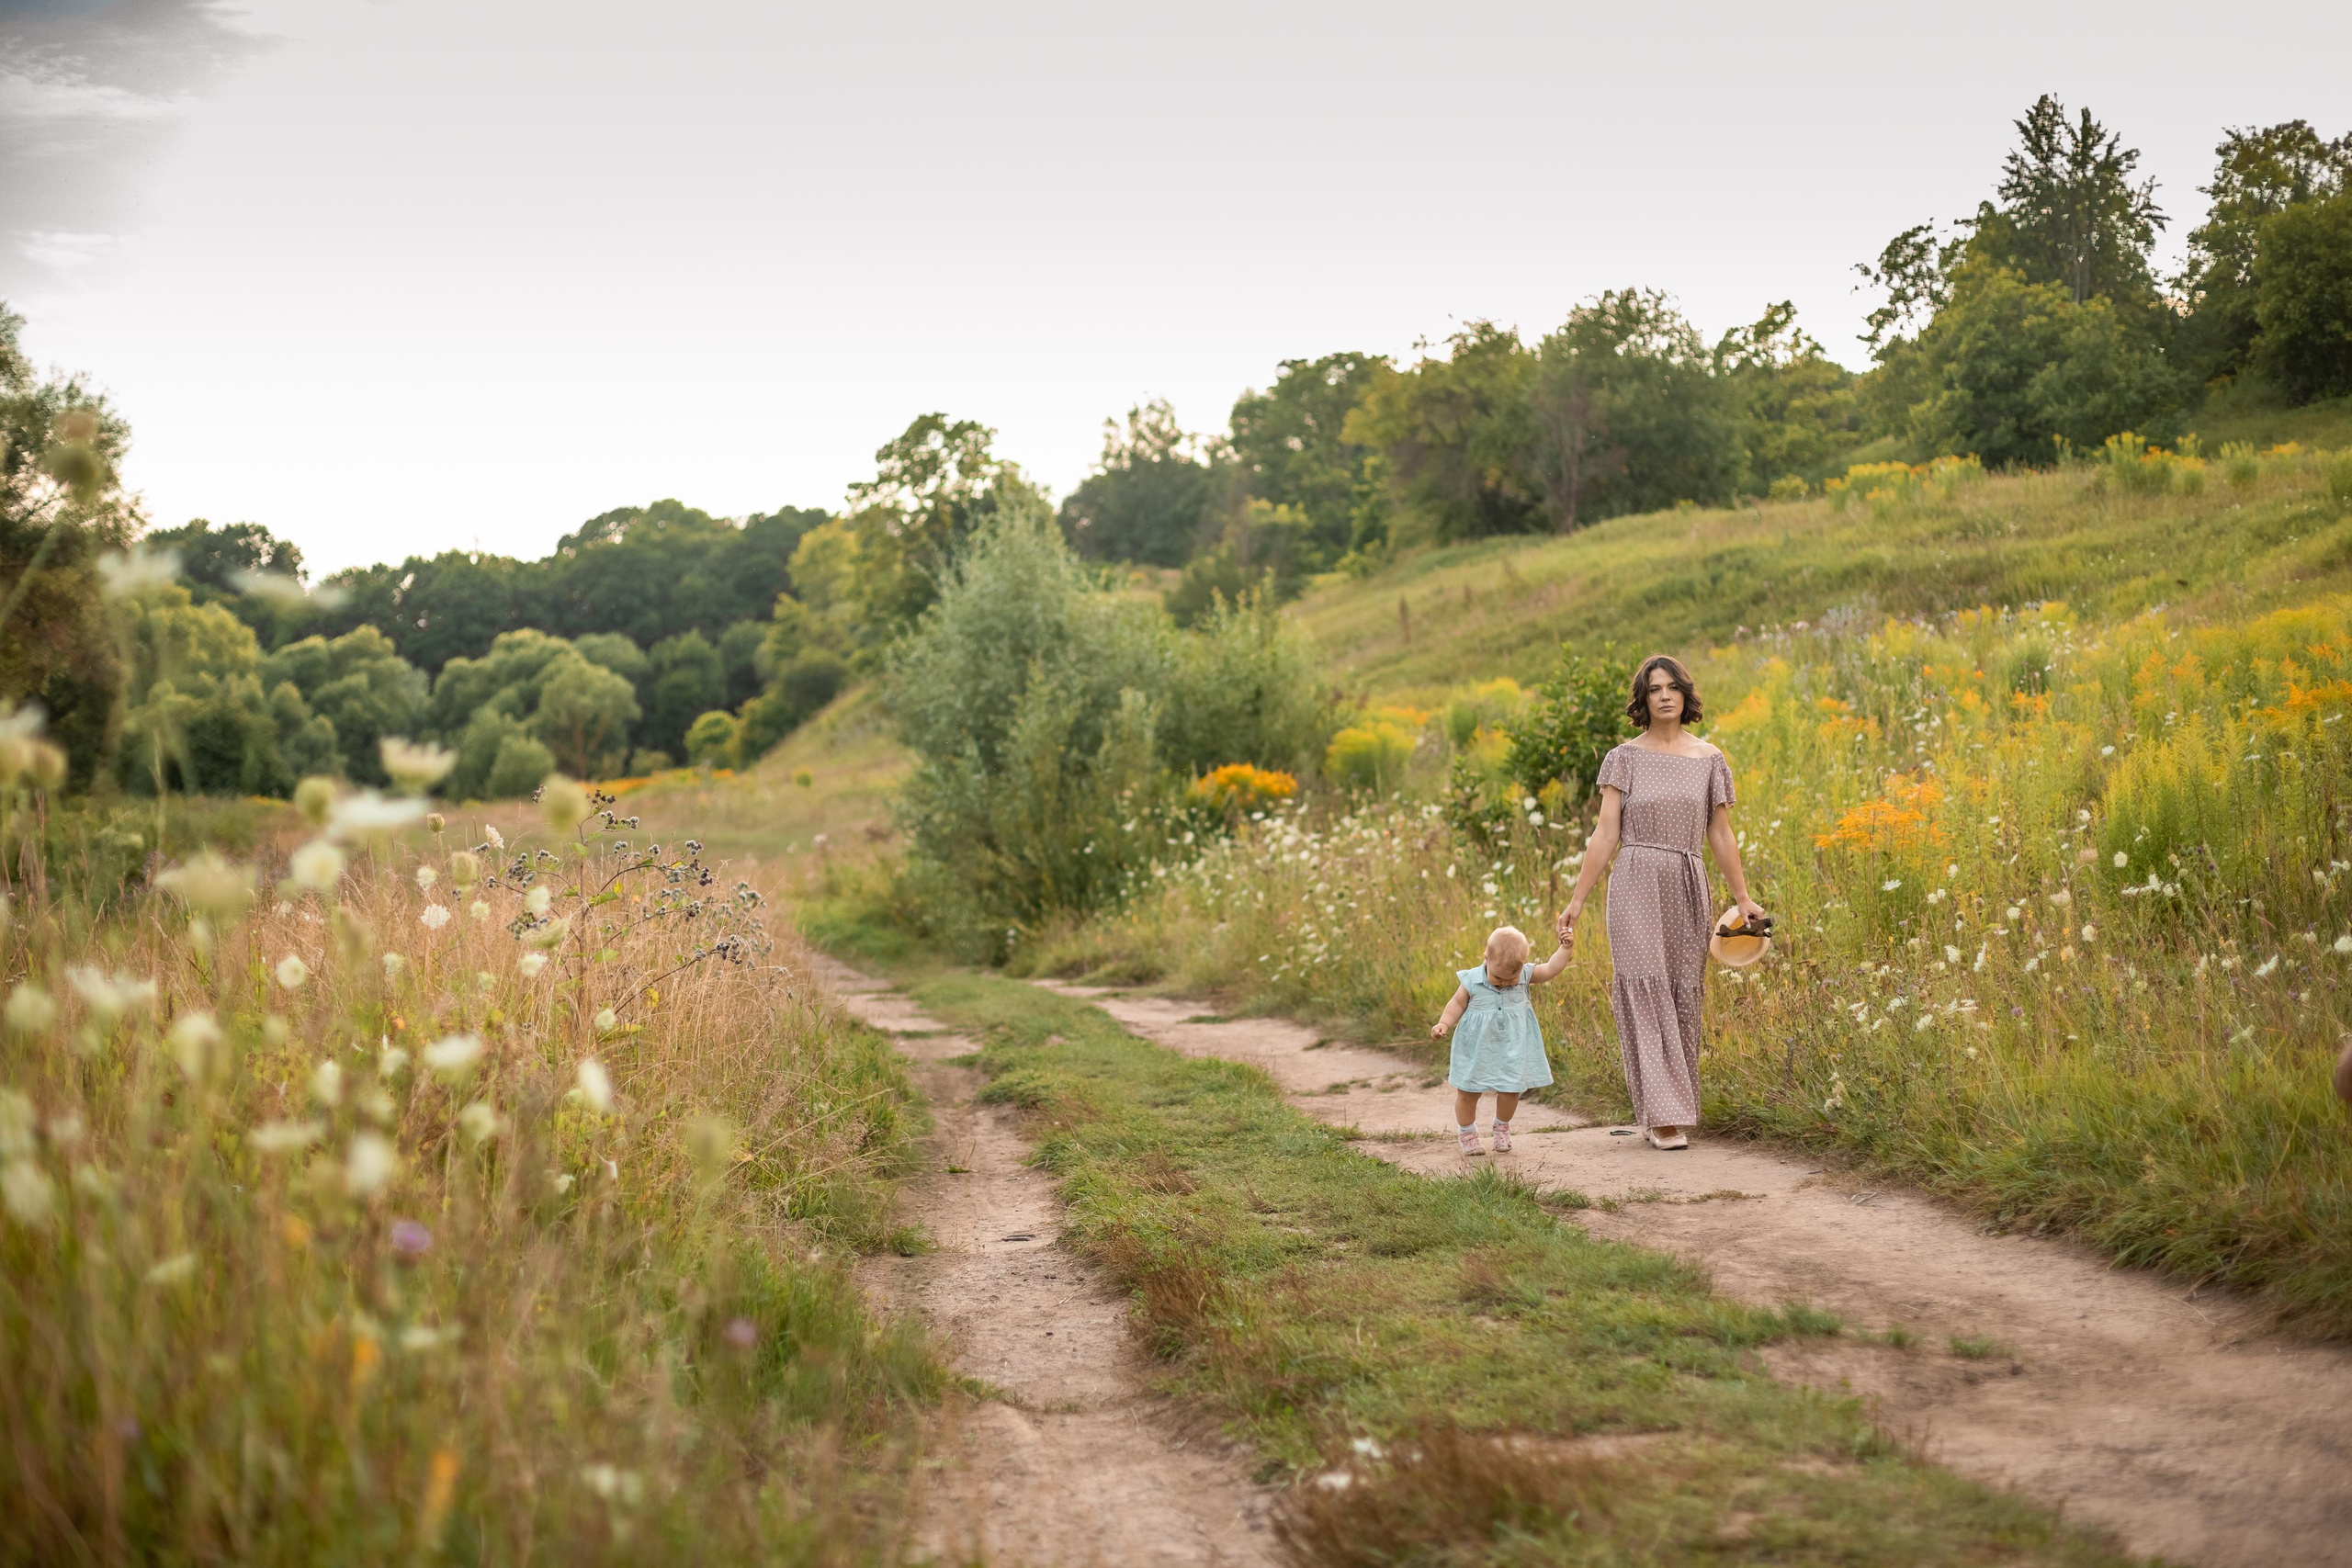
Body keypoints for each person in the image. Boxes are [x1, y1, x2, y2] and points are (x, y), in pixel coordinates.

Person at [1556, 654, 1765, 1151]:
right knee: (1643, 984)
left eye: (1672, 687)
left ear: (1685, 695)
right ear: (1643, 699)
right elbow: (1605, 833)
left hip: (1687, 880)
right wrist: (1577, 900)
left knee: (1680, 991)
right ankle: (1663, 1116)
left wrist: (1742, 897)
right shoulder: (1623, 757)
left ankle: (1668, 1105)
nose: (1665, 695)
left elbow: (1720, 832)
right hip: (1634, 881)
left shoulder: (1710, 759)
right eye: (1655, 689)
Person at [1430, 924, 1571, 1156]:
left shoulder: (1525, 975)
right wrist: (1444, 1023)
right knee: (1467, 1091)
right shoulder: (1472, 980)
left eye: (1511, 978)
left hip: (1512, 1048)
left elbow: (1551, 969)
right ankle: (1468, 1133)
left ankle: (1502, 1127)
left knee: (1511, 1089)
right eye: (1498, 978)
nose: (1505, 983)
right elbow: (1456, 1003)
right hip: (1476, 1047)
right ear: (1486, 958)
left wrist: (1565, 949)